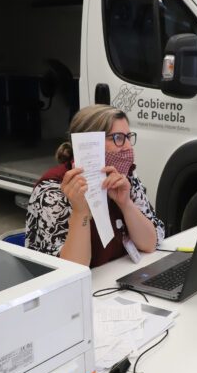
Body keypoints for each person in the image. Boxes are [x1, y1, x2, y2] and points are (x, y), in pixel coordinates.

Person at [25, 105, 164, 267]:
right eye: (118, 138)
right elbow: (71, 270)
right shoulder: (52, 190)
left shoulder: (125, 177)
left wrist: (125, 204)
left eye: (128, 137)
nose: (128, 146)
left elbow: (150, 244)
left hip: (117, 274)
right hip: (82, 281)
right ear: (89, 143)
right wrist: (80, 212)